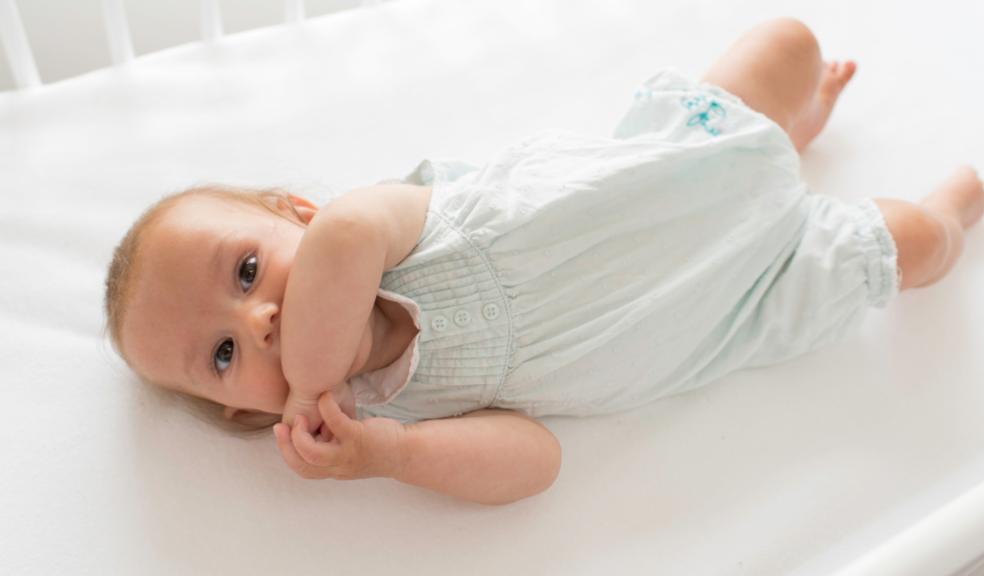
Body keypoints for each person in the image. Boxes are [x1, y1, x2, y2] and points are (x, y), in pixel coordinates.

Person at [103, 18, 983, 506]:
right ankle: (957, 204)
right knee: (913, 241)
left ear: (299, 212)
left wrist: (304, 379)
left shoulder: (376, 226)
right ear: (242, 414)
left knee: (786, 44)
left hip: (680, 164)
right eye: (224, 354)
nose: (258, 319)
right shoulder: (396, 406)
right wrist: (390, 454)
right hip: (738, 295)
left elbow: (341, 244)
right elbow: (535, 461)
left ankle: (789, 130)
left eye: (246, 272)